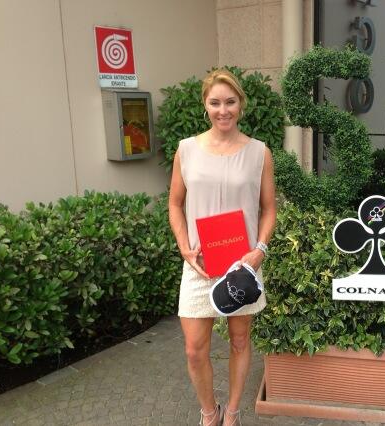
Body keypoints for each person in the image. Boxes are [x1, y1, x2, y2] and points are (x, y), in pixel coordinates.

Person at [168, 69, 276, 426]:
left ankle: (231, 413)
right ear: (206, 105)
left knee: (240, 341)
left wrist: (260, 250)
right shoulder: (186, 150)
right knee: (194, 349)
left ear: (240, 105)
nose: (223, 110)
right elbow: (175, 203)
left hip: (242, 265)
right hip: (199, 265)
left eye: (230, 102)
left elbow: (269, 208)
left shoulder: (259, 152)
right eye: (215, 102)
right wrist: (184, 247)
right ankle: (208, 412)